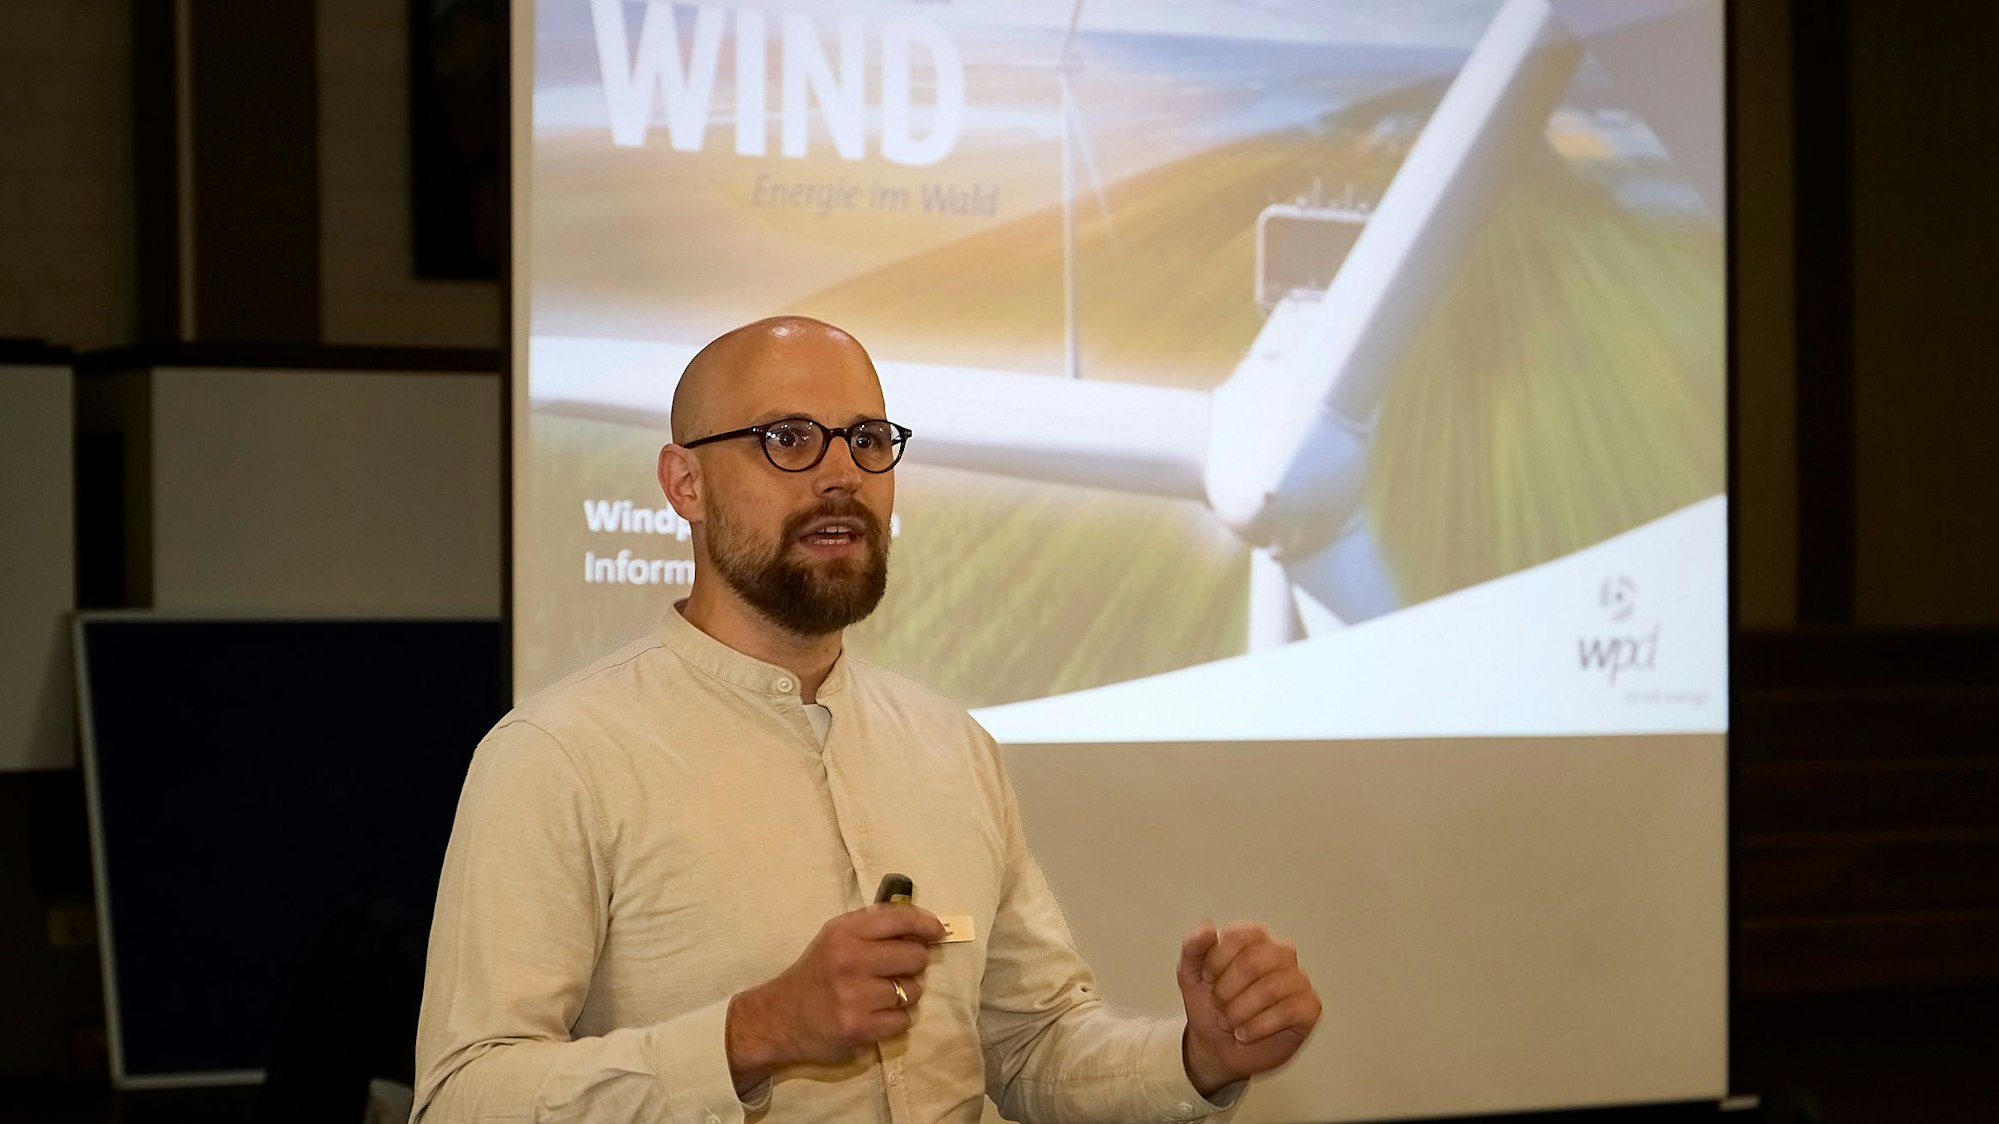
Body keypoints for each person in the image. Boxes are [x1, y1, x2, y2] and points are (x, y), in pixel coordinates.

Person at [411, 317, 1322, 1122]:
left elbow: (1031, 1046)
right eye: (788, 439)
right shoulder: (558, 757)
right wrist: (752, 1033)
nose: (843, 475)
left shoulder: (949, 746)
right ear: (684, 484)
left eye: (868, 439)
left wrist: (1198, 1058)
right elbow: (462, 1098)